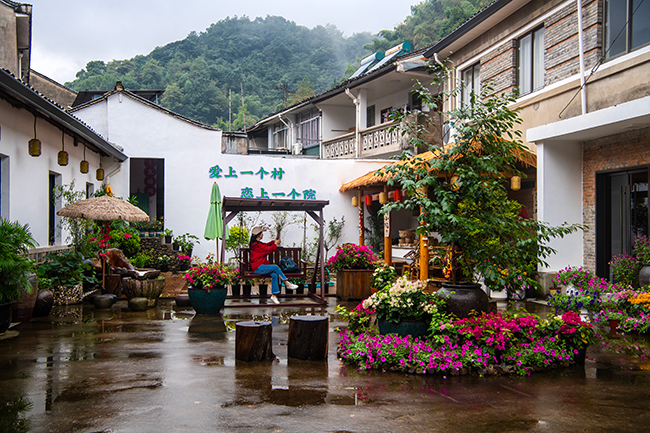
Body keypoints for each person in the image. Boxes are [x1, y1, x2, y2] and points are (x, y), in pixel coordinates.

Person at [249, 226, 298, 304]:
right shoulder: (256, 245)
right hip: (258, 268)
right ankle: (286, 283)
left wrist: (274, 242)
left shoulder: (257, 244)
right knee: (275, 267)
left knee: (274, 275)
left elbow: (266, 245)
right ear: (259, 235)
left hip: (261, 266)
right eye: (262, 233)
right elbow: (269, 249)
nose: (262, 234)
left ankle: (274, 296)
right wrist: (275, 244)